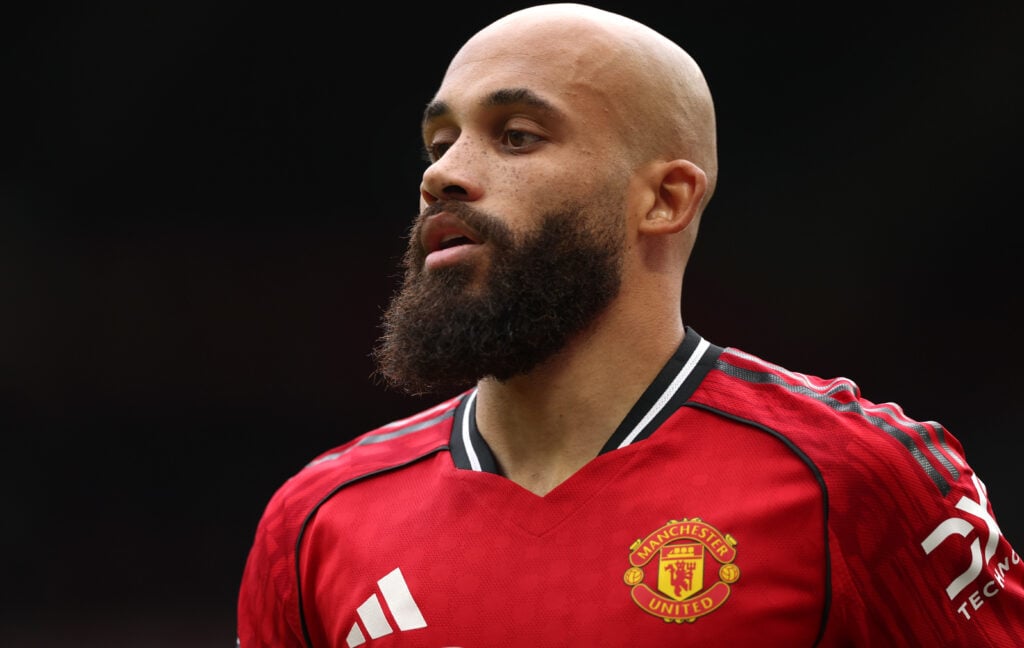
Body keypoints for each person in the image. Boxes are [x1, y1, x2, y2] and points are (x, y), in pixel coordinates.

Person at [237, 3, 1024, 646]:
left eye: (515, 136)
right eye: (440, 143)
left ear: (666, 199)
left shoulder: (855, 479)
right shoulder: (315, 522)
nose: (442, 172)